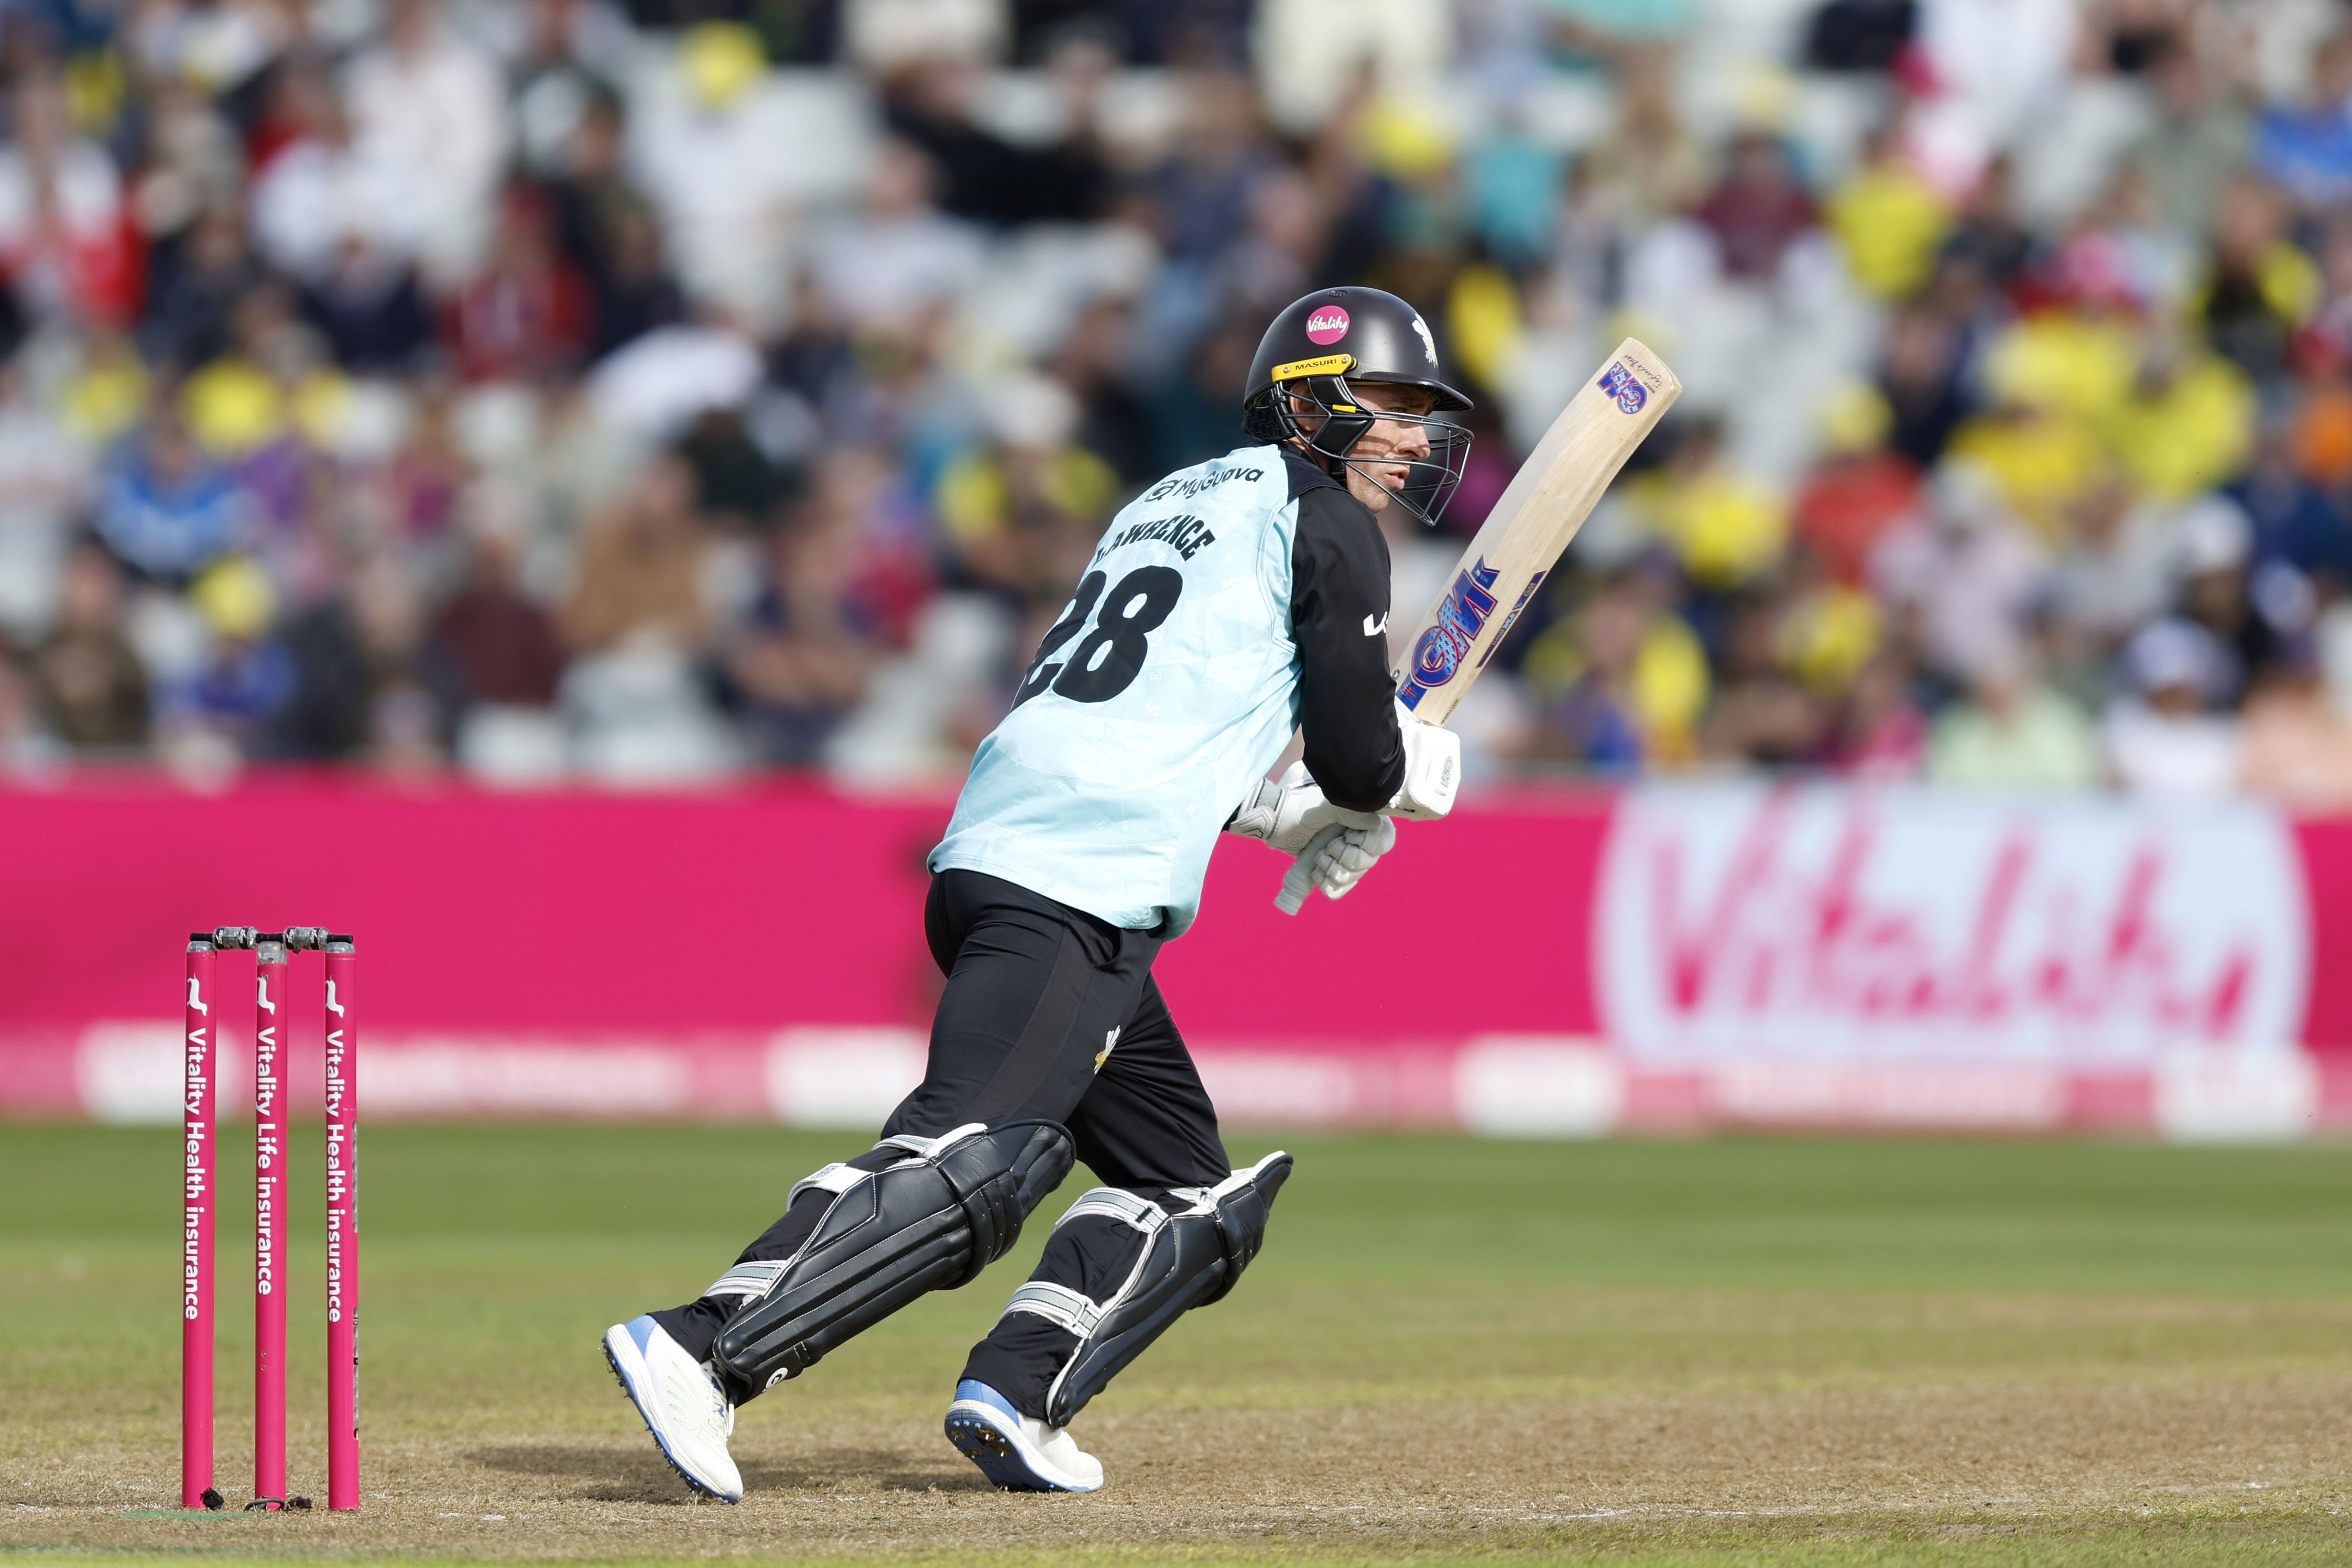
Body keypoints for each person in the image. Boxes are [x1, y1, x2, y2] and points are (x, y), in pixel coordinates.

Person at [600, 287, 1471, 1500]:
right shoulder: (1326, 520)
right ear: (1312, 401)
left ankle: (1019, 1388)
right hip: (1078, 877)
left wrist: (1283, 815)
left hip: (1014, 845)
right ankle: (704, 1345)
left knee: (1192, 1197)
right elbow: (1364, 755)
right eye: (1393, 406)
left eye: (1426, 414)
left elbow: (1156, 709)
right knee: (979, 1157)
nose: (1417, 439)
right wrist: (1394, 774)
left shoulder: (1172, 497)